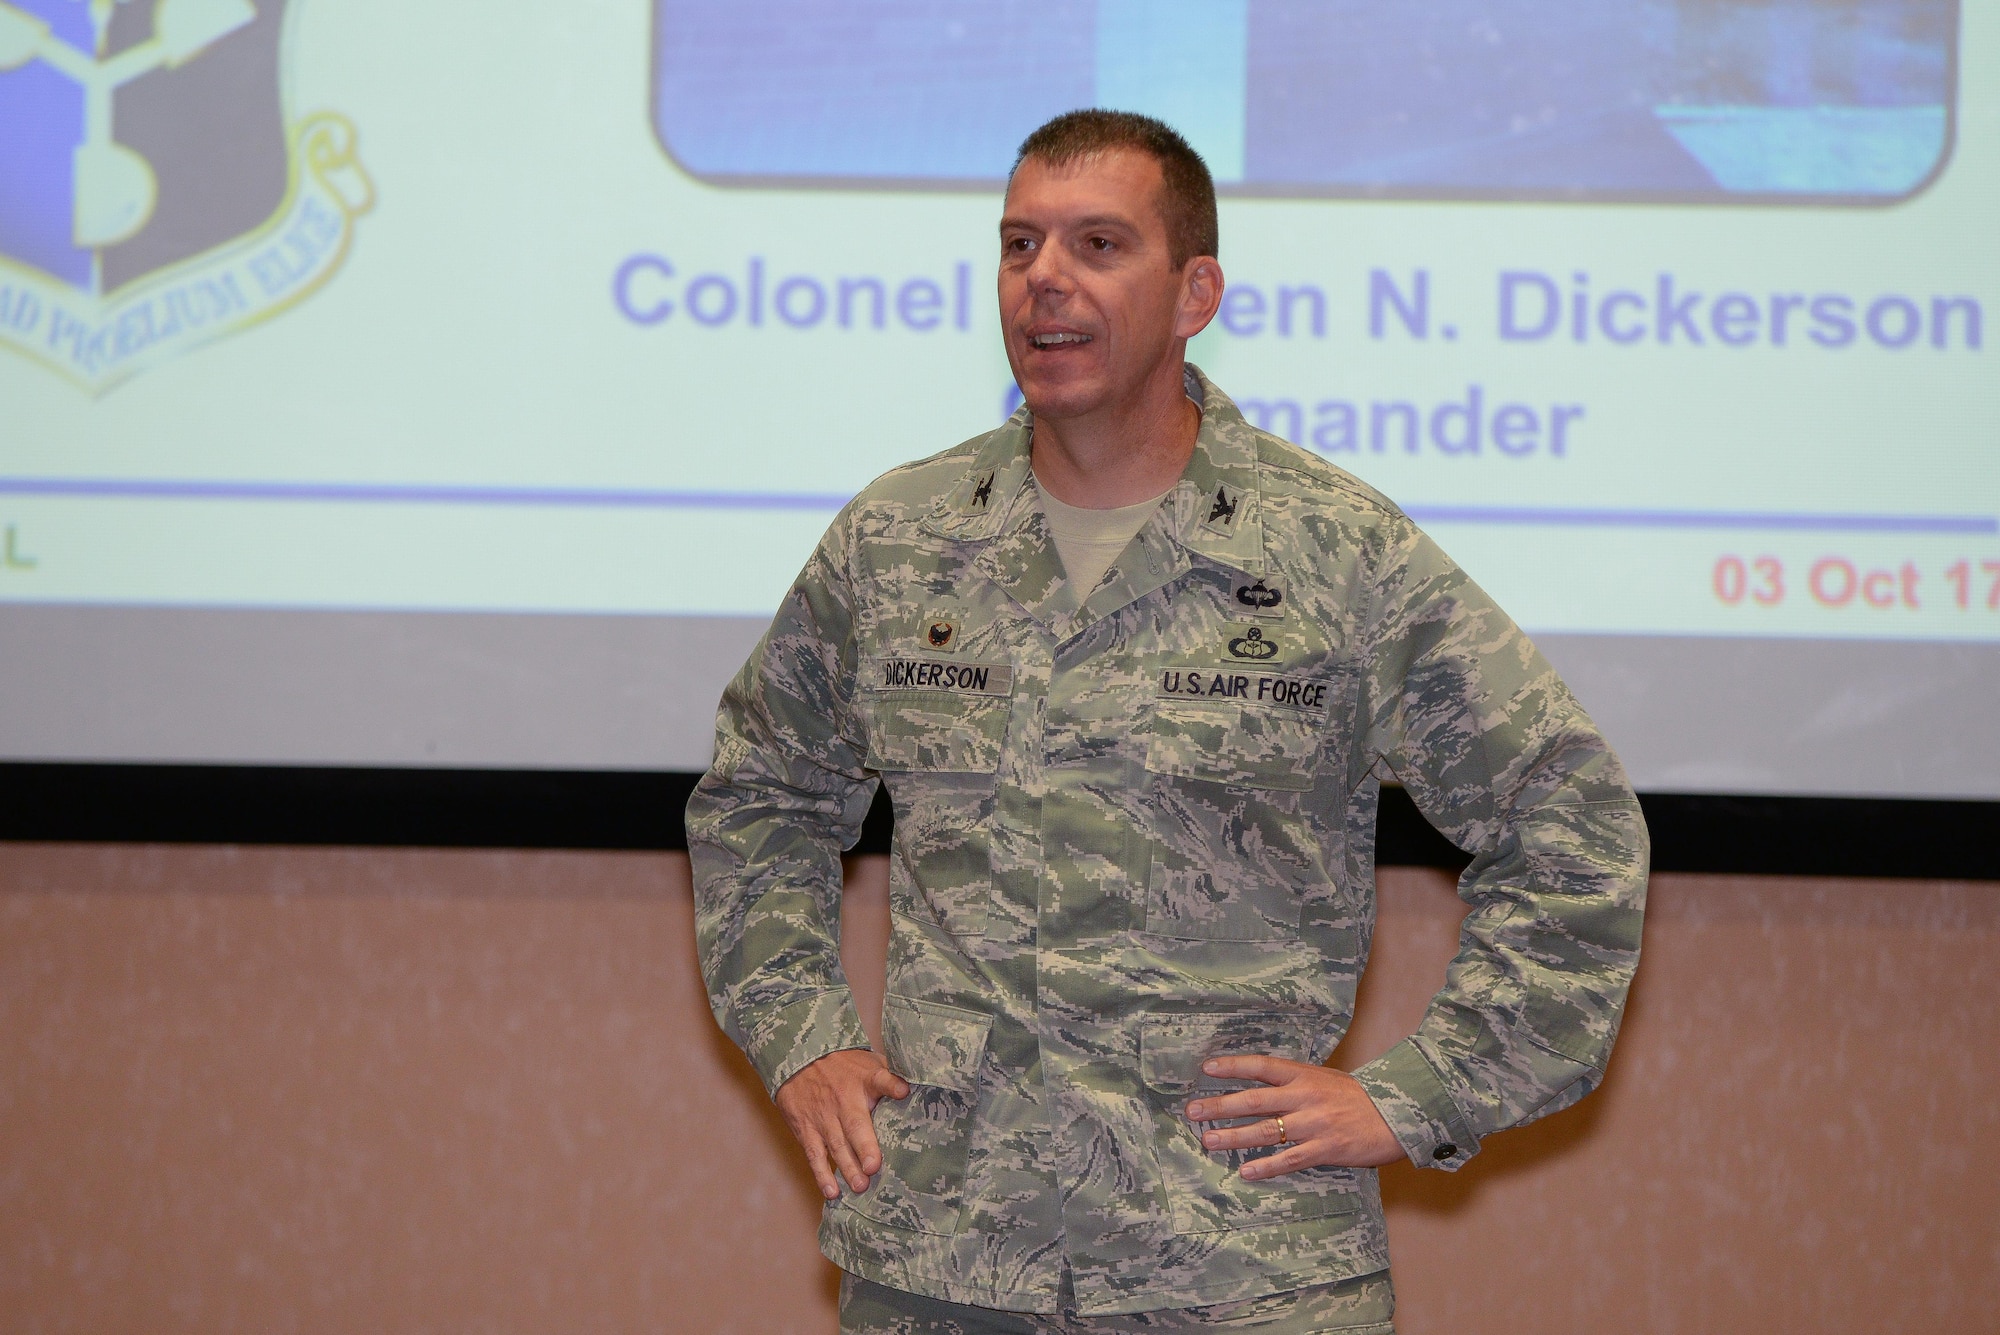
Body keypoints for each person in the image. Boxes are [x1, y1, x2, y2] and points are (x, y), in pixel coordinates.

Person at [688, 110, 1648, 1333]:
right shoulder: (900, 541)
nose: (1046, 278)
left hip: (1241, 1272)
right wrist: (802, 1035)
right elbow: (757, 795)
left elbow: (1569, 822)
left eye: (1097, 243)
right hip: (948, 1268)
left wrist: (1423, 1092)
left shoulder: (1333, 551)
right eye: (1018, 244)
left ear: (1194, 291)